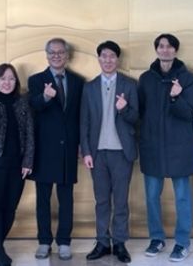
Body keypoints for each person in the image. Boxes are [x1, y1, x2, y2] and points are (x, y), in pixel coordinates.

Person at [138, 33, 193, 262]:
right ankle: (157, 238)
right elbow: (141, 112)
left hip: (179, 147)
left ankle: (182, 242)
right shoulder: (146, 79)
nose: (165, 50)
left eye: (170, 46)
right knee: (152, 197)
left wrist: (175, 98)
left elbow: (188, 113)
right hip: (152, 146)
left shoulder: (187, 78)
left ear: (175, 51)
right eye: (161, 46)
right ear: (156, 50)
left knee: (182, 198)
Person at [80, 41, 138, 264]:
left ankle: (120, 243)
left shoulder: (129, 85)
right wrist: (86, 151)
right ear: (99, 59)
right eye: (104, 56)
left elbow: (136, 118)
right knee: (102, 201)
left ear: (118, 59)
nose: (108, 60)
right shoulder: (89, 87)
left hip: (122, 152)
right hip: (97, 153)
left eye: (112, 56)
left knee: (121, 201)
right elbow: (84, 122)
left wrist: (124, 109)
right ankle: (102, 242)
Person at [28, 38, 85, 260]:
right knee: (42, 199)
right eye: (52, 52)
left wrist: (81, 144)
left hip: (68, 148)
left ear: (67, 55)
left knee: (66, 198)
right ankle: (44, 241)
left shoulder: (78, 82)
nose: (56, 56)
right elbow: (32, 107)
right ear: (47, 55)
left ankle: (64, 242)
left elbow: (80, 116)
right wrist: (45, 97)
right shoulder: (36, 80)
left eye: (60, 52)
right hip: (44, 149)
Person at [0, 63, 34, 266]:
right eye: (3, 78)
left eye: (11, 78)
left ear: (16, 82)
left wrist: (28, 161)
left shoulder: (22, 103)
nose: (7, 82)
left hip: (17, 164)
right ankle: (0, 250)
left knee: (11, 208)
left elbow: (30, 134)